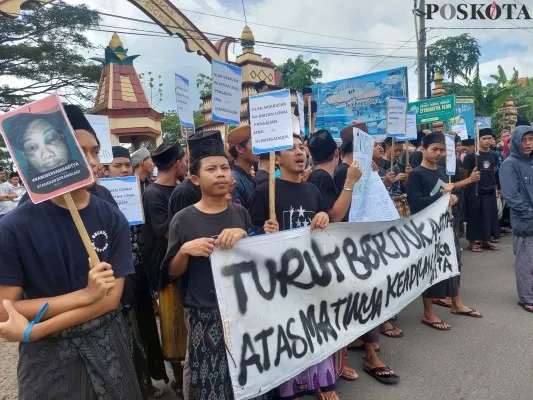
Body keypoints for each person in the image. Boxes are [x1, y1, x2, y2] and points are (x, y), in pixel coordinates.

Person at [0, 104, 142, 399]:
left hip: (108, 345)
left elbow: (110, 299)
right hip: (47, 360)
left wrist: (33, 330)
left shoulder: (111, 217)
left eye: (95, 151)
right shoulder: (14, 227)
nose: (93, 162)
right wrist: (85, 296)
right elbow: (5, 308)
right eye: (81, 150)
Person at [161, 131, 270, 400]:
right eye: (211, 169)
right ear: (195, 179)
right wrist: (186, 250)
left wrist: (246, 235)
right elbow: (172, 272)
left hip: (241, 309)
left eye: (224, 168)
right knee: (209, 383)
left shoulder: (239, 213)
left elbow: (254, 259)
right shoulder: (183, 220)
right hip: (203, 313)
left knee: (244, 377)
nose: (220, 174)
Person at [249, 133, 340, 399]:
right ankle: (290, 387)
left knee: (314, 327)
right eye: (291, 149)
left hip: (310, 274)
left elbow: (325, 219)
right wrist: (261, 230)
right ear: (276, 159)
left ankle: (320, 380)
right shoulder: (265, 192)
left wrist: (323, 215)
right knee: (287, 332)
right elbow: (250, 231)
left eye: (302, 148)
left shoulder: (312, 189)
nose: (300, 153)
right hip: (279, 279)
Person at [107, 145, 169, 398]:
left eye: (125, 165)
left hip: (141, 271)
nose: (123, 170)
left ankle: (149, 380)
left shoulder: (140, 192)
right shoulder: (99, 199)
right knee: (128, 335)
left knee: (145, 329)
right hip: (119, 278)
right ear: (105, 169)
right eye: (116, 166)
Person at [408, 132, 483, 331]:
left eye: (441, 150)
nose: (438, 153)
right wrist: (442, 197)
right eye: (434, 149)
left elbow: (449, 195)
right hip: (427, 229)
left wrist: (453, 199)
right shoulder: (416, 174)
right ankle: (428, 312)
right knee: (430, 267)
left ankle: (456, 302)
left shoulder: (442, 171)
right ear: (422, 149)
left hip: (446, 225)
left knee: (454, 262)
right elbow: (415, 204)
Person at [3, 110, 91, 194]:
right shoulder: (28, 207)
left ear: (64, 139)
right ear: (26, 156)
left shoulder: (97, 190)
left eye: (51, 139)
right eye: (32, 147)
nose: (47, 154)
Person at [142, 141, 187, 293]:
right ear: (177, 163)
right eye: (185, 161)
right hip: (164, 267)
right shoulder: (153, 194)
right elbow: (168, 233)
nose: (187, 166)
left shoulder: (180, 189)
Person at [499, 125, 533, 313]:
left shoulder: (530, 161)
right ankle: (527, 298)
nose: (527, 144)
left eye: (530, 139)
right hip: (525, 221)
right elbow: (511, 197)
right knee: (526, 262)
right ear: (515, 142)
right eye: (523, 140)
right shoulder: (509, 164)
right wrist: (529, 213)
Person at [463, 128, 501, 252]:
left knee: (489, 216)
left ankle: (486, 240)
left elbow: (493, 171)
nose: (487, 141)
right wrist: (470, 182)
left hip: (489, 189)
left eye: (489, 138)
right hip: (474, 190)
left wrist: (495, 187)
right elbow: (465, 174)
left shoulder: (494, 155)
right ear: (478, 140)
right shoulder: (471, 156)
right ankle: (472, 242)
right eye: (484, 138)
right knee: (475, 216)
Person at [228, 124, 258, 209]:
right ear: (239, 149)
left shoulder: (248, 176)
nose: (258, 148)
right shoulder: (234, 181)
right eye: (253, 144)